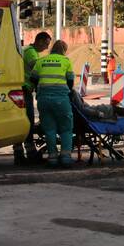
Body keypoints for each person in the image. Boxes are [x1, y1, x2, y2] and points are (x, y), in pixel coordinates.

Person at [31, 39, 75, 168]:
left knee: (49, 129)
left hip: (43, 99)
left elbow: (33, 78)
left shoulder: (41, 61)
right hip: (61, 99)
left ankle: (52, 158)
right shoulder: (65, 61)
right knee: (66, 128)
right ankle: (66, 158)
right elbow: (70, 81)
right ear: (64, 50)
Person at [14, 31, 52, 165]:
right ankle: (29, 154)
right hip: (24, 90)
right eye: (46, 44)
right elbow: (38, 68)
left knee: (24, 122)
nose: (46, 48)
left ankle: (19, 153)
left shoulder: (29, 51)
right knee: (28, 121)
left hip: (24, 90)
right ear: (40, 41)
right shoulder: (30, 52)